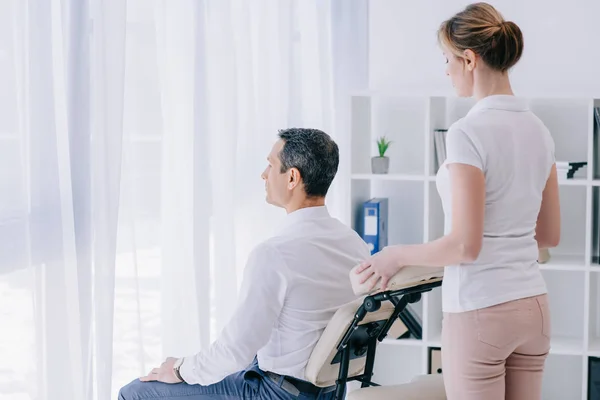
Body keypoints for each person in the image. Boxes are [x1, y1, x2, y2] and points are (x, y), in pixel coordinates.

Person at [355, 3, 560, 400]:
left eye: (447, 59)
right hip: (534, 307)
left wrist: (394, 255)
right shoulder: (540, 131)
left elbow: (465, 246)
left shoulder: (468, 132)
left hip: (482, 310)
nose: (445, 70)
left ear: (469, 59)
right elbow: (548, 234)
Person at [118, 128, 371, 400]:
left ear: (292, 178)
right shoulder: (354, 244)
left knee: (135, 393)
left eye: (271, 165)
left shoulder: (275, 254)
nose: (264, 174)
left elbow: (234, 351)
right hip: (330, 391)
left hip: (276, 394)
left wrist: (179, 370)